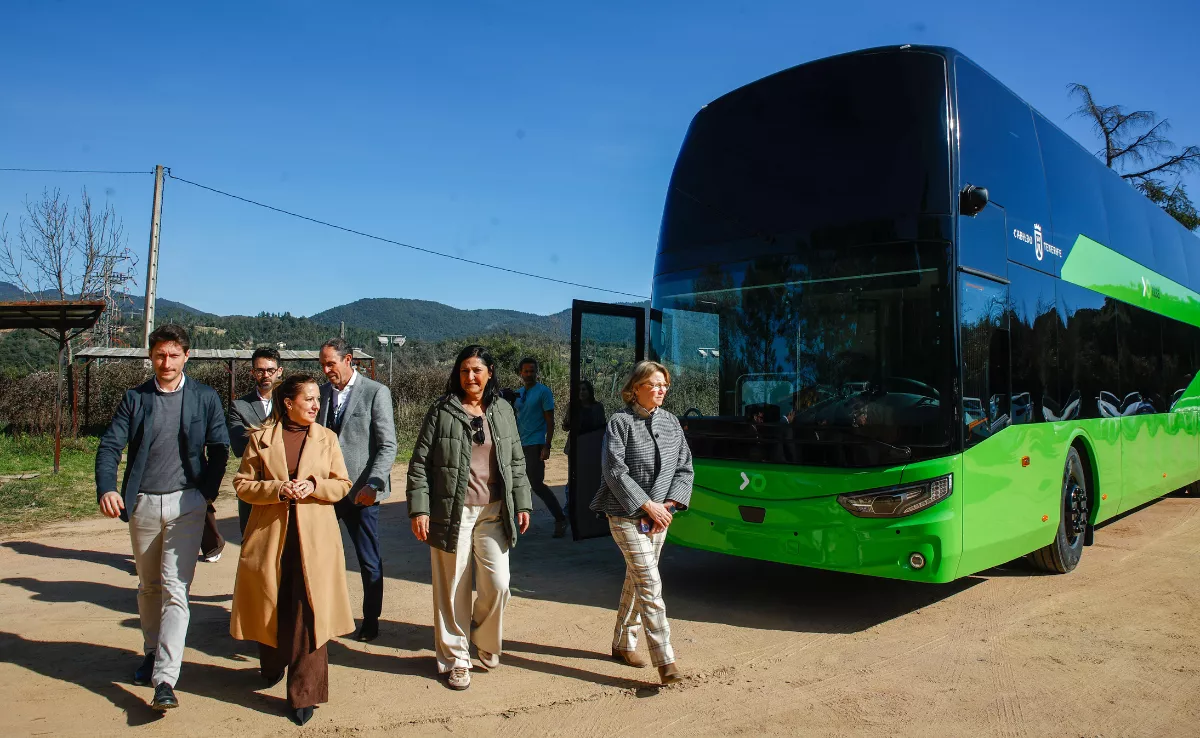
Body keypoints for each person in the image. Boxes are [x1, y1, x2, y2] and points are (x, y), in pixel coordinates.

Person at [95, 324, 230, 711]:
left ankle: (166, 679)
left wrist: (205, 493)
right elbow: (110, 446)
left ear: (186, 356)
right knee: (148, 585)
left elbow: (219, 447)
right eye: (159, 354)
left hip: (187, 504)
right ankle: (152, 651)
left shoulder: (204, 397)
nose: (166, 362)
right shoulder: (135, 399)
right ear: (150, 356)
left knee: (176, 588)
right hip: (143, 505)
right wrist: (108, 488)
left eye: (173, 355)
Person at [231, 373, 354, 726]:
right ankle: (271, 664)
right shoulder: (261, 438)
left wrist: (313, 485)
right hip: (271, 536)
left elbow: (341, 483)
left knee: (309, 612)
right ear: (288, 403)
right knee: (273, 602)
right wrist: (278, 489)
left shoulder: (327, 438)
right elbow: (242, 484)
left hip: (315, 541)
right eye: (309, 399)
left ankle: (305, 693)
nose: (317, 405)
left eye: (318, 399)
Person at [406, 345, 532, 691]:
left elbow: (516, 461)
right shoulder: (442, 410)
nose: (470, 377)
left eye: (477, 370)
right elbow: (419, 465)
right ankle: (455, 659)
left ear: (490, 372)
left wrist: (522, 502)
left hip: (494, 511)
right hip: (452, 511)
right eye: (464, 371)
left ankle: (485, 639)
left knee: (499, 583)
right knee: (453, 588)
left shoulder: (503, 409)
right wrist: (420, 508)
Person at [590, 360, 693, 686]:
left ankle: (622, 644)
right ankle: (666, 660)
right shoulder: (619, 423)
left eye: (664, 384)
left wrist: (669, 505)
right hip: (625, 515)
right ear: (635, 388)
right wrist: (646, 504)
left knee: (636, 580)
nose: (661, 390)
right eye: (654, 384)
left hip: (660, 518)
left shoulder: (672, 423)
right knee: (649, 583)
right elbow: (615, 471)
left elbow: (685, 467)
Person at [317, 338, 397, 642]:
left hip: (362, 493)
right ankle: (324, 615)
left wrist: (373, 484)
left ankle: (371, 619)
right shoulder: (321, 394)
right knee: (320, 555)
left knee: (368, 559)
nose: (326, 370)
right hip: (326, 491)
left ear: (348, 359)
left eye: (330, 364)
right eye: (322, 365)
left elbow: (388, 445)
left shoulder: (376, 392)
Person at [227, 347, 283, 535]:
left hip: (286, 484)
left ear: (279, 371)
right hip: (254, 485)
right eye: (260, 370)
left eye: (270, 370)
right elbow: (239, 447)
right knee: (251, 543)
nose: (265, 375)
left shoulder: (292, 403)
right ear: (253, 373)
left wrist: (256, 435)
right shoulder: (239, 406)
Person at [513, 357, 568, 537]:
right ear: (520, 373)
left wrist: (547, 445)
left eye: (532, 371)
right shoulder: (518, 393)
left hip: (535, 443)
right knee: (512, 483)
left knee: (536, 484)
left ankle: (560, 518)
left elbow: (550, 421)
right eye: (526, 371)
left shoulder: (543, 392)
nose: (529, 374)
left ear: (537, 372)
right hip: (517, 443)